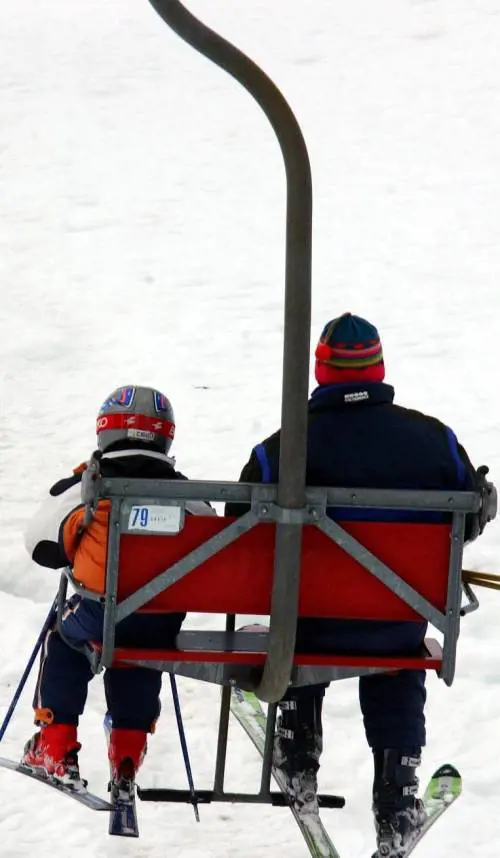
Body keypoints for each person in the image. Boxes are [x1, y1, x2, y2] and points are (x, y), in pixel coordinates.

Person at [225, 313, 495, 858]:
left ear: (320, 372)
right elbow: (470, 513)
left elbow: (238, 523)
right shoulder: (434, 440)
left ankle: (298, 750)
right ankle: (396, 797)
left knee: (301, 627)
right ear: (379, 369)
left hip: (311, 629)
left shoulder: (282, 449)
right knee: (397, 657)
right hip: (396, 627)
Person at [22, 385, 215, 794]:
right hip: (158, 622)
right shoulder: (191, 498)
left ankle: (55, 745)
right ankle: (127, 755)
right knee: (139, 656)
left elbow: (41, 547)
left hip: (97, 613)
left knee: (66, 638)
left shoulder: (85, 487)